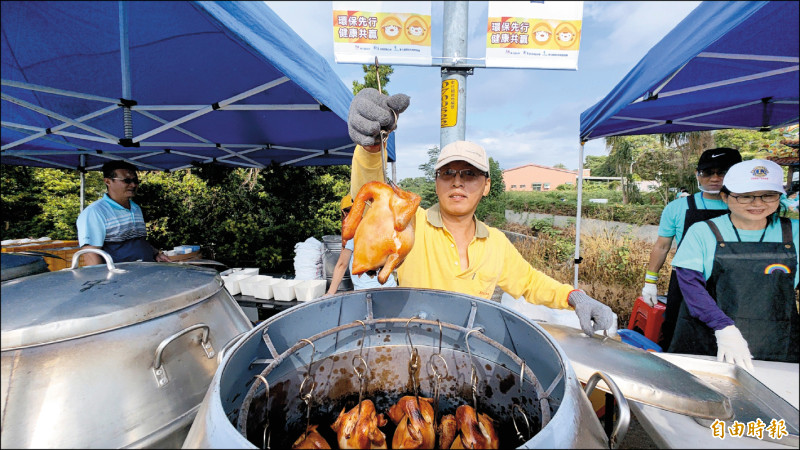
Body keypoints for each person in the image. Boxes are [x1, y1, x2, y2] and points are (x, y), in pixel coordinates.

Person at [346, 88, 615, 337]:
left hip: (468, 356)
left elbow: (531, 282)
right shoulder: (411, 224)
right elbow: (372, 198)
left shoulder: (496, 242)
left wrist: (575, 297)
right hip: (413, 346)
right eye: (447, 173)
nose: (457, 181)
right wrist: (370, 149)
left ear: (486, 185)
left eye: (470, 174)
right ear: (437, 182)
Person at [668, 159, 799, 368]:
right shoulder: (702, 232)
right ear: (725, 197)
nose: (757, 203)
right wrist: (724, 328)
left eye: (768, 195)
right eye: (746, 196)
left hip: (776, 342)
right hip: (710, 338)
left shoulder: (795, 231)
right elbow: (690, 286)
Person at [641, 147, 742, 350]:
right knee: (679, 334)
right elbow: (662, 246)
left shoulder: (746, 207)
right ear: (698, 174)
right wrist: (650, 282)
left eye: (722, 172)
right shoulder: (677, 208)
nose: (714, 178)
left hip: (733, 283)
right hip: (686, 282)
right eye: (707, 172)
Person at [76, 160, 171, 265]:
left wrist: (156, 253)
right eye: (127, 180)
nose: (133, 185)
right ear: (108, 181)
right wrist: (101, 280)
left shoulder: (135, 208)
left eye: (135, 181)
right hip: (120, 278)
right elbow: (91, 253)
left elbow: (137, 241)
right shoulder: (95, 212)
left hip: (144, 273)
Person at [326, 194, 397, 294]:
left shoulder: (352, 232)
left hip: (366, 292)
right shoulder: (381, 226)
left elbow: (342, 265)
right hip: (390, 288)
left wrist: (330, 293)